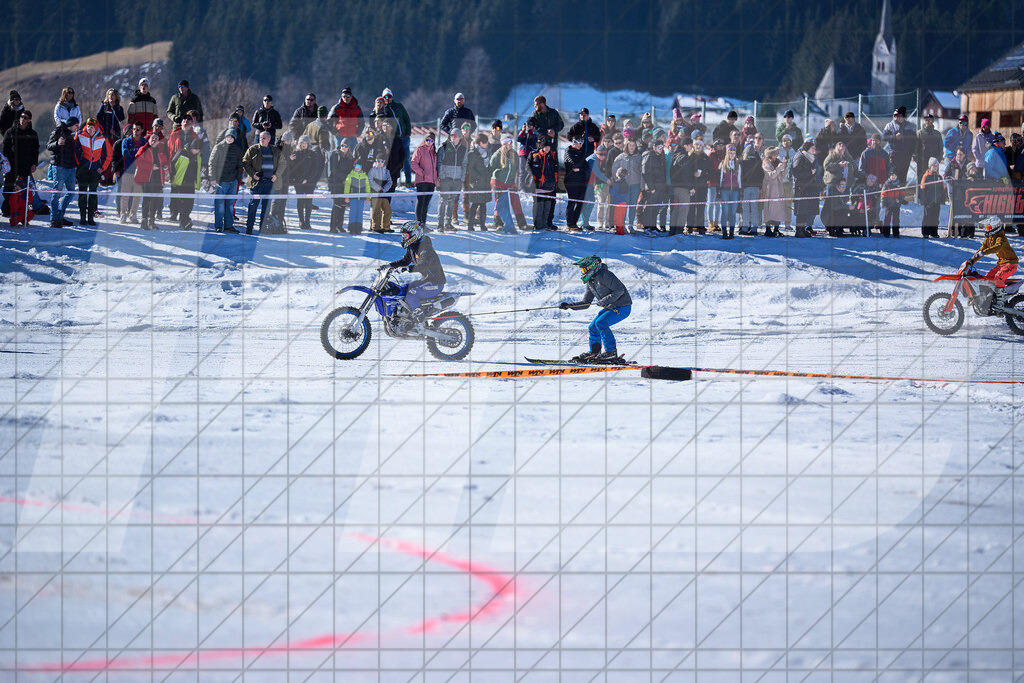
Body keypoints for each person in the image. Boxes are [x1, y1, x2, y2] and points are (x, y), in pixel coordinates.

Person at [559, 256, 633, 364]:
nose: (582, 272)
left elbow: (619, 290)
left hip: (623, 306)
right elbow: (586, 303)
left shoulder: (605, 275)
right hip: (611, 307)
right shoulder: (590, 282)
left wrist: (603, 301)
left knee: (601, 322)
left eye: (584, 269)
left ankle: (611, 353)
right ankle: (595, 352)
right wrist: (570, 306)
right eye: (582, 270)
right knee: (593, 327)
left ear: (592, 267)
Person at [382, 221, 447, 323]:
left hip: (436, 284)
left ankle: (419, 320)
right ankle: (403, 317)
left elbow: (423, 265)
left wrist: (407, 269)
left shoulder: (425, 247)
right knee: (403, 289)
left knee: (412, 294)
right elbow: (405, 261)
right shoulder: (412, 246)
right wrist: (389, 266)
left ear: (414, 234)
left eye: (405, 236)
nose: (403, 238)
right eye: (403, 236)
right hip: (426, 281)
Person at [964, 216, 1018, 309]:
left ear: (995, 227)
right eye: (986, 227)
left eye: (988, 227)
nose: (986, 229)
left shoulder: (1001, 237)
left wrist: (985, 252)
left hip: (1011, 263)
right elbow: (981, 250)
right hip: (1001, 264)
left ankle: (1000, 303)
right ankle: (989, 298)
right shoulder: (988, 239)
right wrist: (972, 260)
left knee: (998, 277)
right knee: (987, 277)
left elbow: (998, 247)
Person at [73, 118, 112, 226]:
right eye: (88, 126)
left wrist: (103, 168)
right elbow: (75, 150)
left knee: (93, 193)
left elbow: (109, 154)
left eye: (92, 127)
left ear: (97, 128)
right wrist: (79, 163)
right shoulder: (80, 134)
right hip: (83, 168)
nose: (90, 128)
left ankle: (91, 217)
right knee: (82, 192)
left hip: (95, 169)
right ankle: (82, 217)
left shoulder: (103, 137)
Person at [241, 131, 280, 234]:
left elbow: (283, 164)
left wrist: (276, 175)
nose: (261, 139)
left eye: (264, 138)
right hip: (257, 183)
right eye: (260, 138)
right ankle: (249, 228)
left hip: (269, 183)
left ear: (269, 139)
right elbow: (245, 163)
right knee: (253, 205)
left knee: (266, 207)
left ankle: (263, 228)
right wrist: (253, 174)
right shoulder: (253, 149)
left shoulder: (275, 150)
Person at [1, 110, 38, 217]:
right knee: (8, 188)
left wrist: (34, 164)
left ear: (29, 120)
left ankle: (22, 210)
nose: (24, 119)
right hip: (11, 165)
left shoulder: (32, 133)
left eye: (26, 118)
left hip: (25, 166)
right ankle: (6, 209)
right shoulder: (10, 132)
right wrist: (5, 163)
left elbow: (35, 150)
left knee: (24, 189)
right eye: (22, 117)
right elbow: (5, 148)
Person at [208, 128, 244, 233]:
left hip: (232, 181)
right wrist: (212, 178)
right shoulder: (218, 147)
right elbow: (212, 163)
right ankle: (218, 225)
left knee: (229, 204)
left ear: (234, 138)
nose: (229, 139)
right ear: (225, 137)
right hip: (221, 182)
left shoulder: (237, 150)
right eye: (228, 136)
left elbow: (240, 165)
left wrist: (237, 179)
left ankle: (229, 225)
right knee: (219, 204)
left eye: (232, 137)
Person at [46, 115, 79, 228]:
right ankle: (54, 219)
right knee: (57, 193)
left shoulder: (72, 135)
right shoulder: (58, 131)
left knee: (70, 192)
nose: (77, 127)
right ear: (71, 124)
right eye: (76, 125)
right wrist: (58, 143)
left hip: (70, 167)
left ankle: (60, 215)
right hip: (59, 166)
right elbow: (48, 146)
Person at [131, 129, 166, 230]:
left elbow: (165, 162)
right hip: (147, 178)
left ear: (159, 141)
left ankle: (152, 220)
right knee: (147, 199)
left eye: (156, 139)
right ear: (149, 139)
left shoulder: (160, 150)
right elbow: (137, 161)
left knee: (155, 200)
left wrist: (165, 166)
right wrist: (151, 166)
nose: (154, 140)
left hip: (158, 178)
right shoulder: (144, 149)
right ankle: (144, 220)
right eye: (152, 138)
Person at [489, 134, 524, 234]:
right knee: (500, 202)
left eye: (512, 142)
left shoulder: (514, 154)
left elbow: (516, 168)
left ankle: (521, 222)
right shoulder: (497, 155)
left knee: (515, 200)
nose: (511, 144)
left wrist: (514, 182)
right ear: (504, 144)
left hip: (509, 182)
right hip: (498, 182)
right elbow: (491, 168)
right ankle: (498, 223)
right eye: (509, 142)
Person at [436, 129, 467, 232]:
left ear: (460, 137)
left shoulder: (463, 149)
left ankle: (448, 223)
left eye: (456, 135)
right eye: (452, 135)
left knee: (452, 201)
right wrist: (441, 176)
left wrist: (461, 178)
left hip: (457, 180)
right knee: (443, 201)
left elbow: (464, 164)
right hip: (445, 179)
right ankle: (440, 224)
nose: (454, 137)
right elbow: (439, 162)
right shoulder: (444, 146)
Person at [290, 134, 323, 230]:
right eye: (301, 143)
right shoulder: (296, 153)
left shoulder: (313, 154)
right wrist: (300, 179)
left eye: (305, 143)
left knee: (309, 201)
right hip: (298, 181)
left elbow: (315, 169)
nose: (303, 145)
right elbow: (294, 168)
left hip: (310, 182)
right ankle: (301, 221)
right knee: (300, 201)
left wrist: (307, 179)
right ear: (299, 144)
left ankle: (307, 221)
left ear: (308, 144)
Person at [170, 138, 202, 230]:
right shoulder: (182, 152)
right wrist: (173, 176)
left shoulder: (198, 156)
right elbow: (173, 164)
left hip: (191, 183)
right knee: (182, 202)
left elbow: (198, 169)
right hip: (181, 182)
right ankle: (184, 221)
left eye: (198, 150)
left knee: (190, 203)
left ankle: (185, 218)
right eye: (195, 149)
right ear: (192, 147)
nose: (196, 151)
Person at [791, 139, 821, 238]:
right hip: (802, 188)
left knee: (807, 210)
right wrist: (810, 172)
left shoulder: (813, 157)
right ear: (807, 148)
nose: (814, 150)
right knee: (801, 210)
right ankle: (798, 230)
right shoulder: (800, 156)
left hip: (810, 188)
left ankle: (803, 229)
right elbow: (796, 173)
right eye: (813, 148)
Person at [612, 139, 642, 231]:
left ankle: (630, 225)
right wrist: (618, 180)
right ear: (626, 146)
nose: (632, 147)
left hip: (635, 185)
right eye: (630, 145)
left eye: (633, 145)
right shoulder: (620, 157)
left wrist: (642, 184)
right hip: (624, 186)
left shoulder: (639, 157)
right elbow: (614, 169)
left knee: (633, 205)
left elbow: (642, 171)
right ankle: (622, 225)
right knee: (624, 205)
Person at [639, 137, 668, 233]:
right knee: (649, 208)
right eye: (660, 147)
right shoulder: (649, 156)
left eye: (662, 147)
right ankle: (647, 227)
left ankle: (653, 226)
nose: (661, 149)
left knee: (656, 208)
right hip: (652, 188)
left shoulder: (659, 156)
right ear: (654, 147)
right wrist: (651, 188)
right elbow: (645, 173)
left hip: (659, 187)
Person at [326, 138, 355, 233]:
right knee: (337, 205)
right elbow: (334, 169)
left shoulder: (350, 157)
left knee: (343, 205)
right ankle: (332, 226)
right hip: (336, 183)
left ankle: (339, 225)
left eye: (346, 146)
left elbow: (351, 170)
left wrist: (348, 179)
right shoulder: (335, 155)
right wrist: (343, 178)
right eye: (342, 145)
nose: (344, 147)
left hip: (345, 184)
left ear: (349, 147)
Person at [529, 136, 558, 230]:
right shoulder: (535, 155)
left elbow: (555, 169)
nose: (548, 148)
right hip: (538, 185)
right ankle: (538, 224)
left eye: (549, 146)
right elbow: (528, 168)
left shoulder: (552, 155)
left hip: (549, 185)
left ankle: (545, 223)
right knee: (539, 205)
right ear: (541, 146)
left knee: (548, 205)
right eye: (546, 146)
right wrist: (537, 177)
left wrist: (554, 181)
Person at [668, 136, 695, 235]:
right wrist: (691, 187)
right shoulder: (684, 157)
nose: (692, 147)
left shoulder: (676, 156)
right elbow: (686, 175)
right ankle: (679, 231)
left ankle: (672, 230)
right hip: (683, 188)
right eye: (690, 145)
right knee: (683, 210)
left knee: (676, 209)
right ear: (685, 146)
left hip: (675, 187)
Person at [882, 106, 915, 183]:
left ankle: (901, 194)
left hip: (906, 156)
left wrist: (911, 153)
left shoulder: (910, 126)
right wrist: (894, 137)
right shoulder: (889, 125)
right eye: (894, 115)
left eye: (898, 115)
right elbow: (884, 137)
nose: (895, 117)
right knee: (893, 176)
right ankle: (891, 193)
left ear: (902, 116)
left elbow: (914, 141)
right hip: (894, 155)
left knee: (903, 176)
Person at [465, 133, 491, 231]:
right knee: (475, 203)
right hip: (476, 183)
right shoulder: (473, 153)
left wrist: (488, 175)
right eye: (485, 142)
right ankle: (470, 225)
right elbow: (470, 169)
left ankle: (482, 225)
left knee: (483, 204)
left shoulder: (486, 153)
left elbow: (488, 167)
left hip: (485, 182)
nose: (487, 144)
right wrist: (479, 177)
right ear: (480, 143)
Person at [563, 136, 590, 230]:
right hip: (571, 181)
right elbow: (573, 164)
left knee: (580, 202)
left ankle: (574, 223)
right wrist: (580, 166)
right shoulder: (568, 151)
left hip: (581, 180)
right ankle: (569, 223)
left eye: (582, 143)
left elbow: (586, 167)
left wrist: (580, 169)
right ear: (574, 143)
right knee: (572, 201)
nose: (581, 145)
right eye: (579, 143)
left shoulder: (581, 153)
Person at [411, 133, 437, 226]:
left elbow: (435, 168)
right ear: (424, 140)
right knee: (421, 201)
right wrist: (422, 173)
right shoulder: (420, 150)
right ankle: (418, 224)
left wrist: (436, 180)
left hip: (431, 182)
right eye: (427, 140)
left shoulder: (434, 152)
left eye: (431, 140)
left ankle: (423, 224)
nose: (429, 142)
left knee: (426, 203)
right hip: (422, 181)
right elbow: (413, 164)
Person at [943, 147, 970, 237]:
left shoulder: (967, 164)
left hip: (964, 191)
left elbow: (973, 174)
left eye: (960, 154)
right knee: (955, 210)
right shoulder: (952, 163)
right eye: (957, 154)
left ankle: (963, 232)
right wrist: (951, 181)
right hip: (954, 191)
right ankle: (954, 231)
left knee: (964, 210)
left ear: (964, 155)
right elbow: (945, 176)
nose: (958, 156)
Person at [760, 147, 786, 237]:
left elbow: (781, 176)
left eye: (776, 154)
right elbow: (771, 175)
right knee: (769, 209)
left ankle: (776, 229)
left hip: (779, 188)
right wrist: (779, 168)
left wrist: (783, 168)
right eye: (774, 154)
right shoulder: (766, 163)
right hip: (770, 189)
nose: (776, 156)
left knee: (779, 209)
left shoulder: (777, 162)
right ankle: (768, 229)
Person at [717, 144, 741, 239]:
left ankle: (731, 231)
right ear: (727, 153)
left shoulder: (738, 164)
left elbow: (739, 179)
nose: (732, 155)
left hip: (735, 190)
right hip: (725, 190)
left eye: (734, 153)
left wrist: (740, 191)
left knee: (733, 212)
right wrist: (719, 191)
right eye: (730, 153)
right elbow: (720, 179)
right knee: (725, 211)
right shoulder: (723, 164)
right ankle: (724, 232)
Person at [918, 157, 946, 238]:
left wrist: (943, 199)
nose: (935, 168)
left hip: (936, 201)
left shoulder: (939, 177)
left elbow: (943, 189)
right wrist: (924, 200)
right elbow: (922, 189)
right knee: (927, 217)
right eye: (934, 166)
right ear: (930, 167)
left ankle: (934, 232)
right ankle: (925, 232)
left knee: (935, 217)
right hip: (928, 201)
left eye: (936, 166)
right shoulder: (926, 176)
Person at [740, 143, 763, 234]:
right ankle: (754, 229)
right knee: (754, 209)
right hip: (756, 188)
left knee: (745, 209)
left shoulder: (742, 163)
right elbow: (762, 176)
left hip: (745, 188)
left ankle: (745, 228)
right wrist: (760, 186)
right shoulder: (758, 163)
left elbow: (740, 176)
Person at [367, 151, 393, 233]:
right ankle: (376, 227)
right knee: (377, 211)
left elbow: (390, 181)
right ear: (376, 161)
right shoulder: (372, 170)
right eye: (378, 161)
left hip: (384, 194)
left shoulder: (386, 171)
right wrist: (378, 188)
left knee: (387, 210)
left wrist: (384, 189)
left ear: (384, 162)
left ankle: (385, 226)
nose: (380, 163)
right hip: (375, 193)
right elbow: (369, 180)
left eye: (382, 161)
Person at [344, 156, 370, 234]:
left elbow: (367, 187)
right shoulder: (350, 175)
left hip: (361, 198)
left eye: (359, 166)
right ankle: (352, 228)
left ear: (362, 167)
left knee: (360, 213)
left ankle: (358, 228)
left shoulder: (364, 176)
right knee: (353, 212)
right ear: (354, 166)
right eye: (356, 166)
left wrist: (368, 197)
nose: (358, 168)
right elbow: (347, 187)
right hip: (353, 197)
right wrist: (346, 196)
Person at [915, 114, 943, 179]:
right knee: (921, 179)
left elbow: (941, 147)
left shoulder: (937, 134)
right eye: (926, 120)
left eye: (929, 120)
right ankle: (920, 189)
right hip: (922, 162)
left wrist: (939, 159)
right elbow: (915, 148)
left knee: (933, 180)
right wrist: (917, 159)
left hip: (934, 162)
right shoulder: (919, 133)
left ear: (932, 121)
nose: (927, 121)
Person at [880, 171, 905, 237]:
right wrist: (884, 203)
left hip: (896, 205)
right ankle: (886, 233)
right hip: (888, 205)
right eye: (892, 175)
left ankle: (896, 233)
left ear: (897, 176)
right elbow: (883, 194)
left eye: (895, 175)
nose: (893, 177)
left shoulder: (899, 184)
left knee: (896, 219)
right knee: (887, 219)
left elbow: (902, 193)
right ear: (889, 176)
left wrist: (899, 199)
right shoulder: (887, 184)